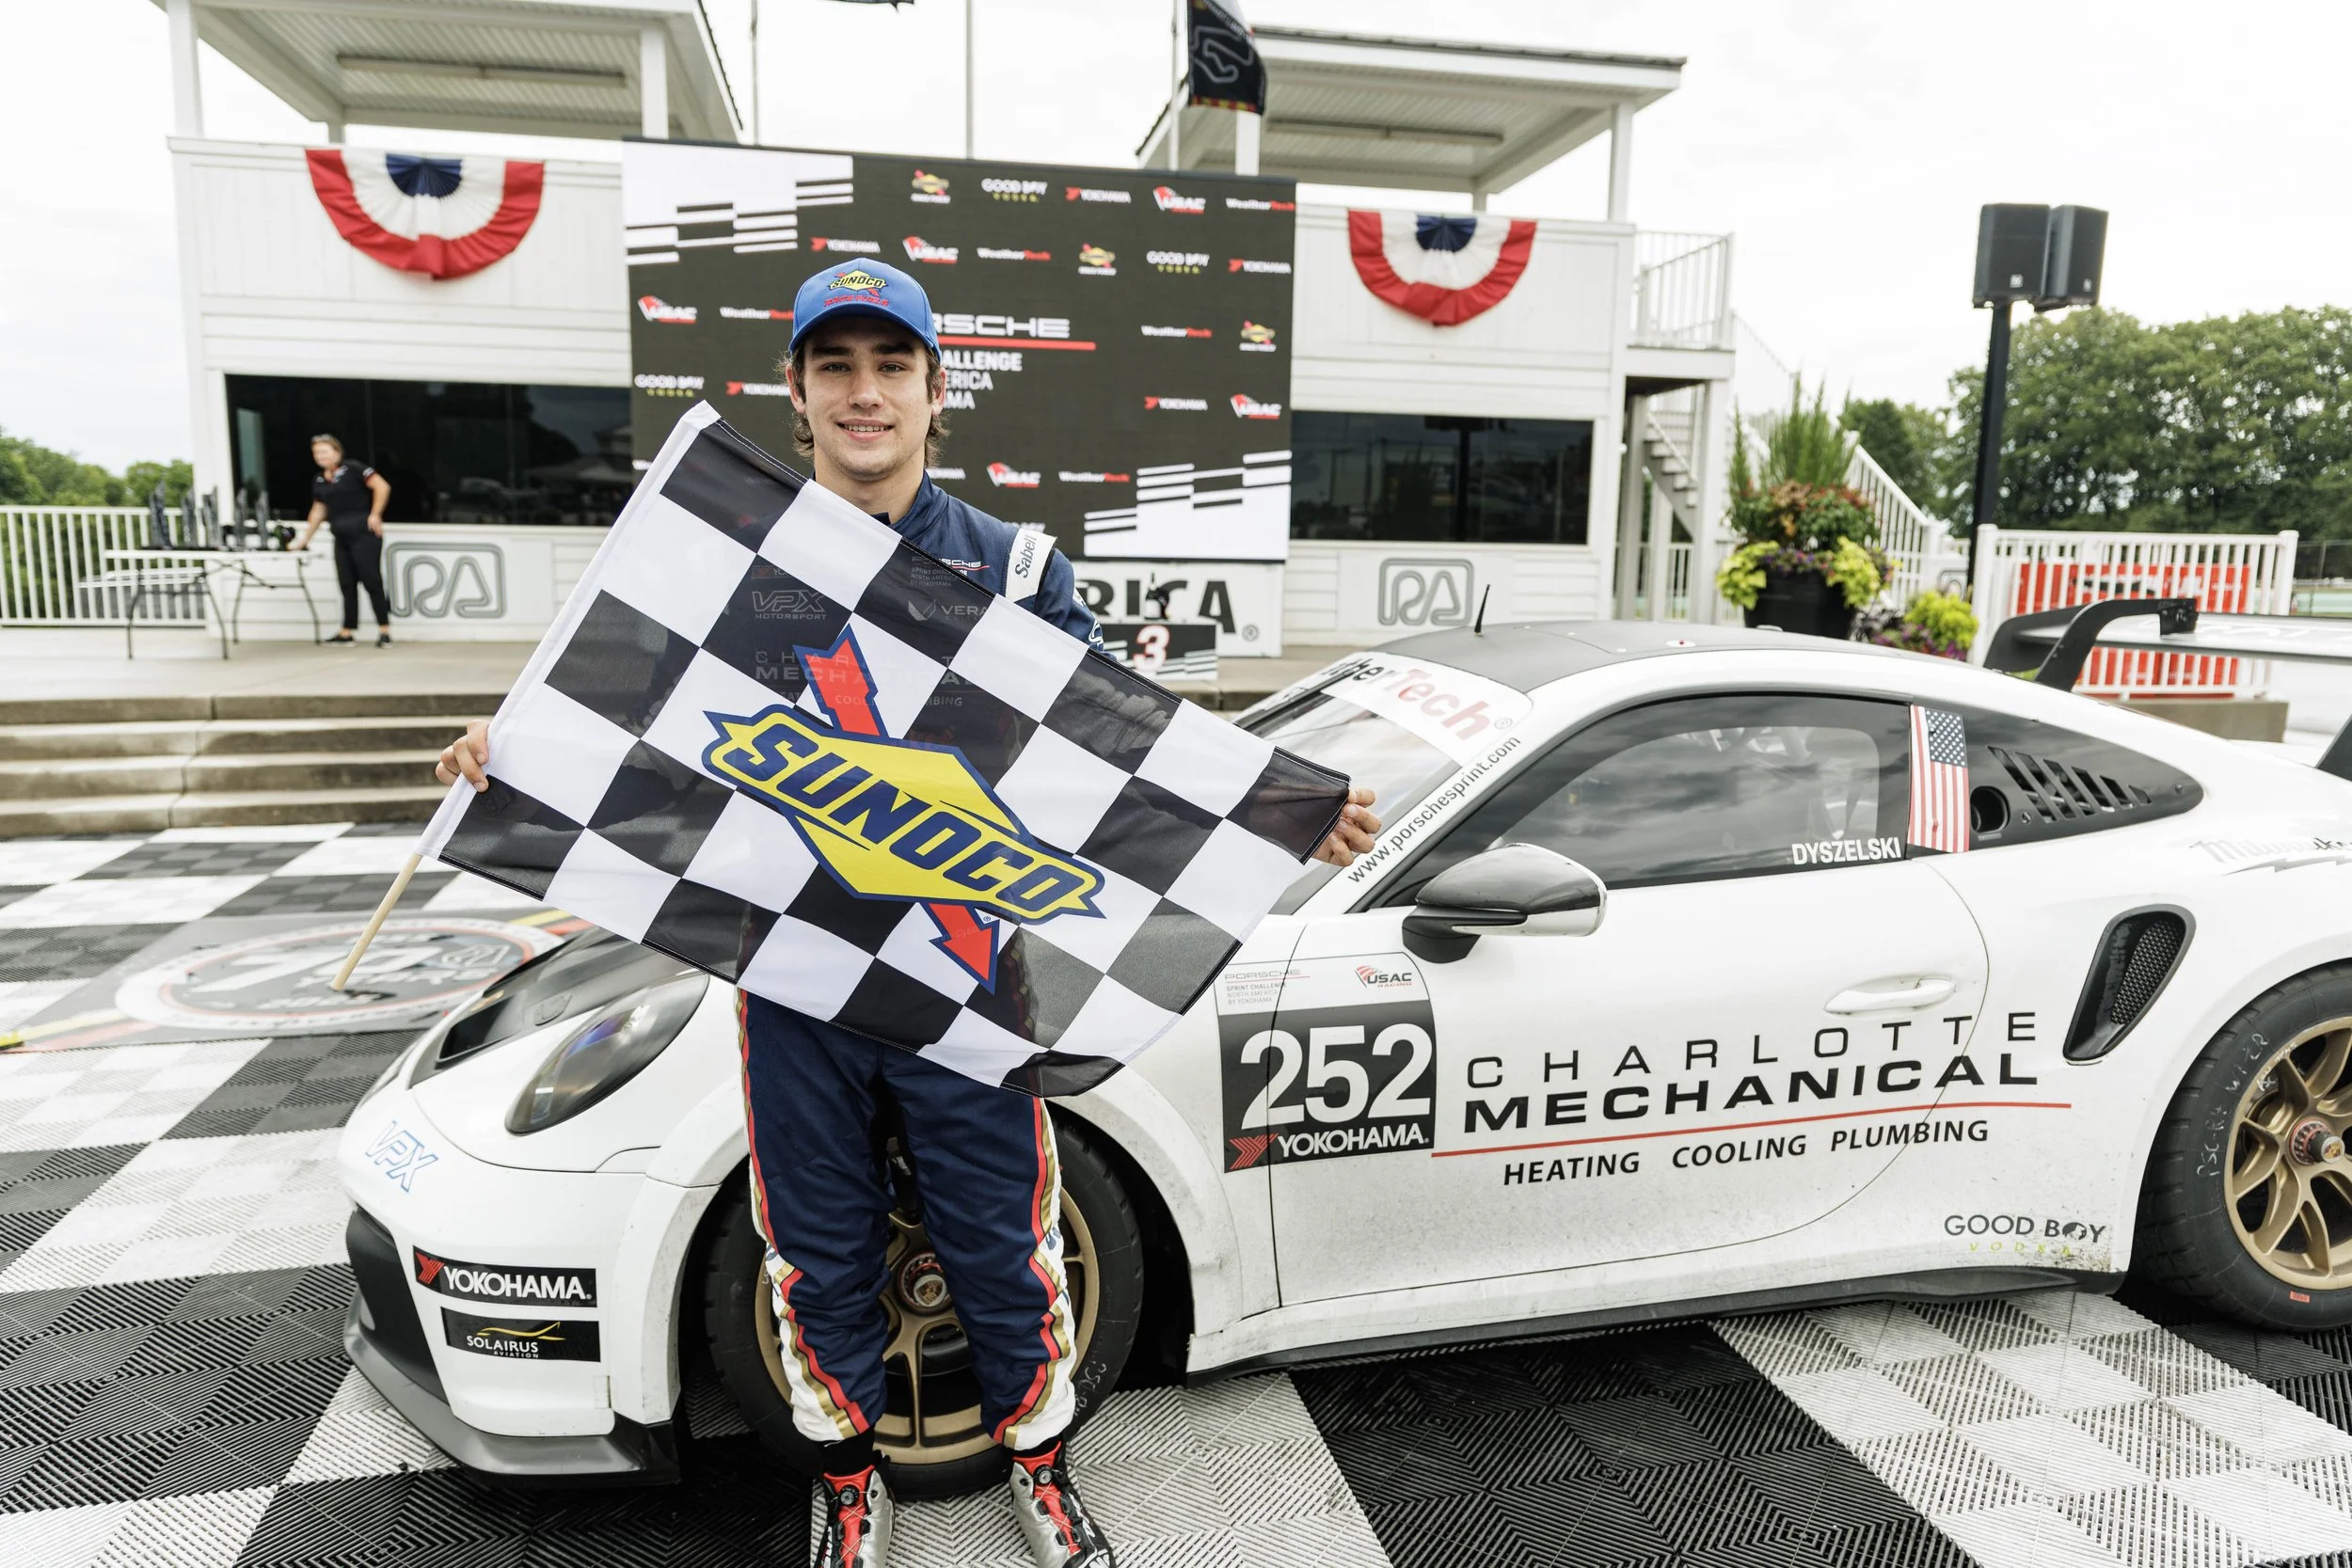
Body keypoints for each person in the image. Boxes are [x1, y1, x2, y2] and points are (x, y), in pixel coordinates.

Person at [437, 259, 1381, 1568]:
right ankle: (845, 1475)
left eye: (893, 367)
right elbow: (644, 736)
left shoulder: (1015, 565)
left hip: (965, 969)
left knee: (1004, 1247)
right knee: (813, 1251)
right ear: (799, 394)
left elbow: (1115, 752)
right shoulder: (742, 564)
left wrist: (1274, 806)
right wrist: (515, 748)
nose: (865, 393)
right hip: (795, 969)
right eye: (838, 367)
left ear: (939, 394)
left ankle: (1040, 1467)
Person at [294, 433, 392, 645]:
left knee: (371, 580)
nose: (321, 456)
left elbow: (382, 486)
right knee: (346, 583)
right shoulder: (320, 479)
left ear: (337, 452)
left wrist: (375, 514)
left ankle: (384, 630)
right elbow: (319, 510)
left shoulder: (353, 468)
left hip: (364, 534)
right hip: (341, 535)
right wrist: (304, 540)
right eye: (317, 453)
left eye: (325, 451)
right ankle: (347, 631)